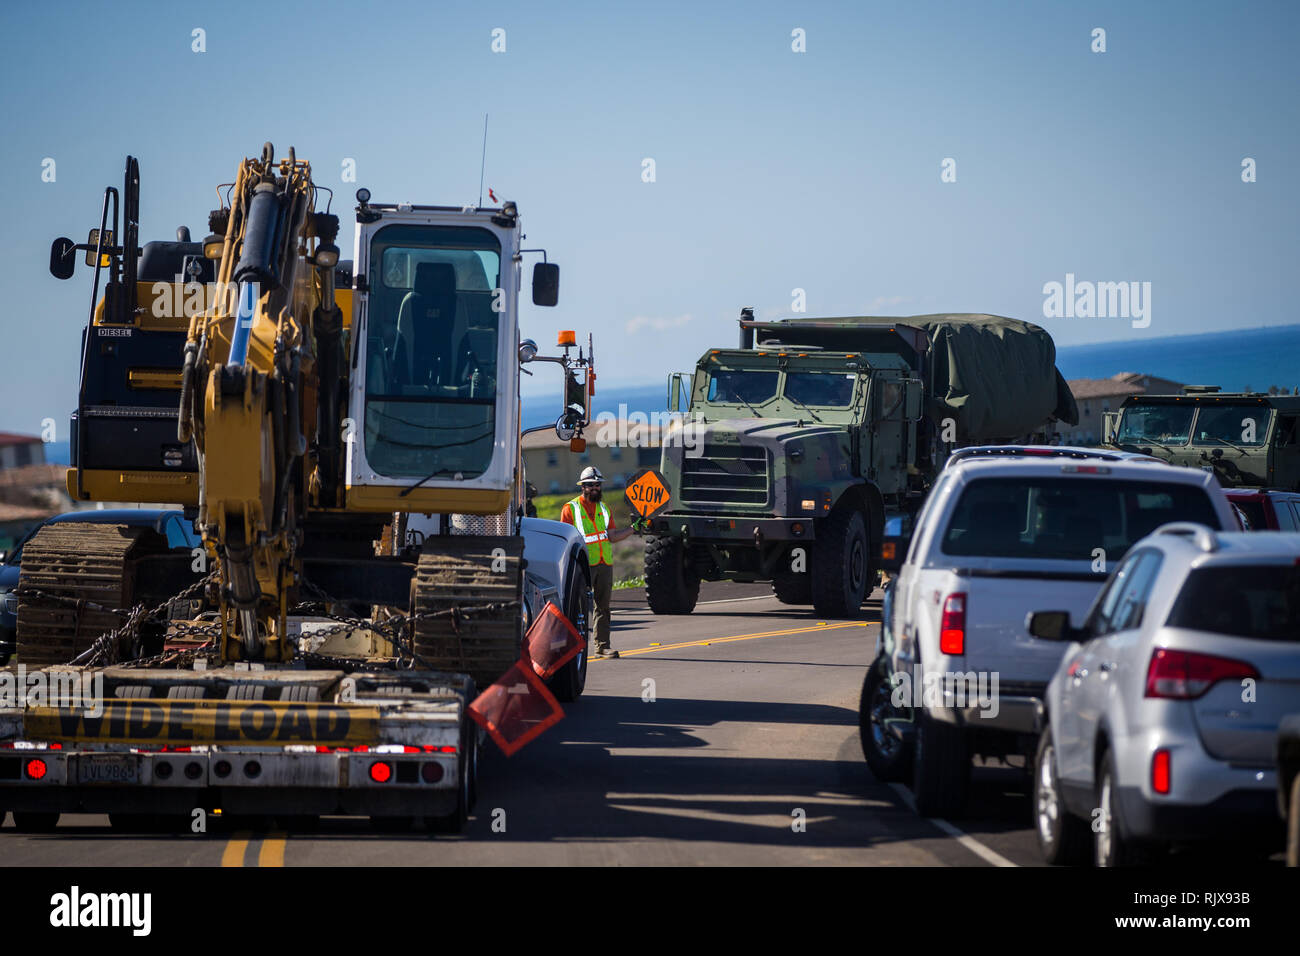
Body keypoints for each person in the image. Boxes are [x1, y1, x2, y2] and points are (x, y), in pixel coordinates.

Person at [560, 466, 645, 659]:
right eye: (591, 485)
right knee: (576, 607)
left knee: (603, 606)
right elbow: (565, 541)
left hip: (604, 562)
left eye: (598, 485)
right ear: (583, 487)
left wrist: (633, 528)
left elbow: (612, 536)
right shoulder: (570, 509)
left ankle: (603, 646)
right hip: (582, 565)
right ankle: (571, 649)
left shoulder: (604, 508)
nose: (595, 488)